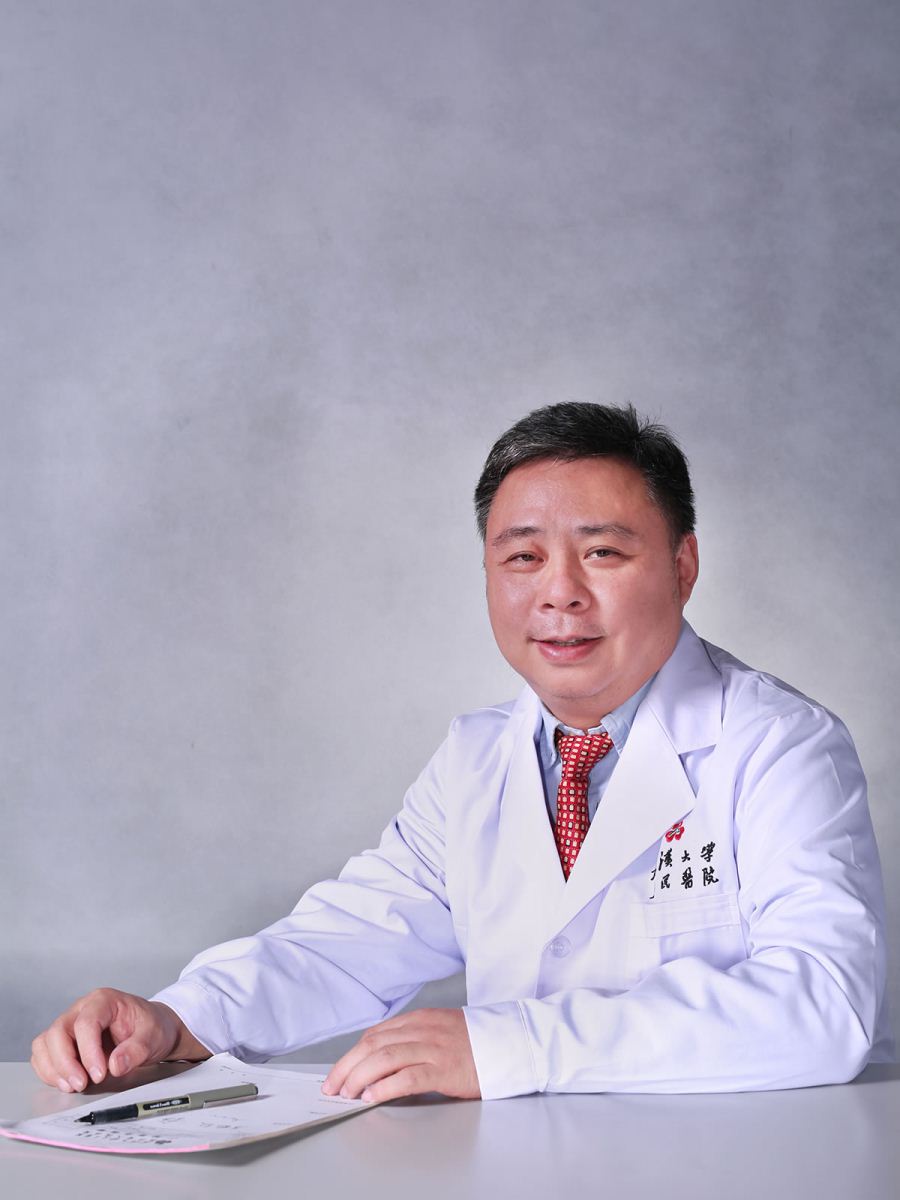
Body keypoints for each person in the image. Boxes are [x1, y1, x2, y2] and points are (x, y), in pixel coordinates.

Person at [31, 403, 893, 1102]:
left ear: (683, 565)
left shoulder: (780, 746)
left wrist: (510, 1046)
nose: (560, 592)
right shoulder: (477, 758)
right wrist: (179, 1019)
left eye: (602, 552)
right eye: (523, 556)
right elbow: (353, 938)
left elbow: (826, 1007)